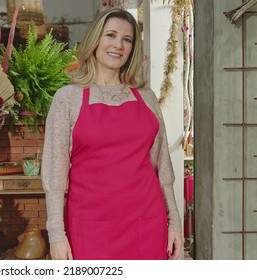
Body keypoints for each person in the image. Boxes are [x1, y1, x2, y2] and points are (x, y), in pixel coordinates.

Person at [41, 7, 183, 260]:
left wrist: (174, 222)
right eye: (111, 35)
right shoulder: (68, 99)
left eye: (127, 39)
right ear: (96, 39)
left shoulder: (147, 98)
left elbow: (163, 168)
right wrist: (56, 234)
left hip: (147, 223)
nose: (118, 45)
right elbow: (54, 176)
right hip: (90, 226)